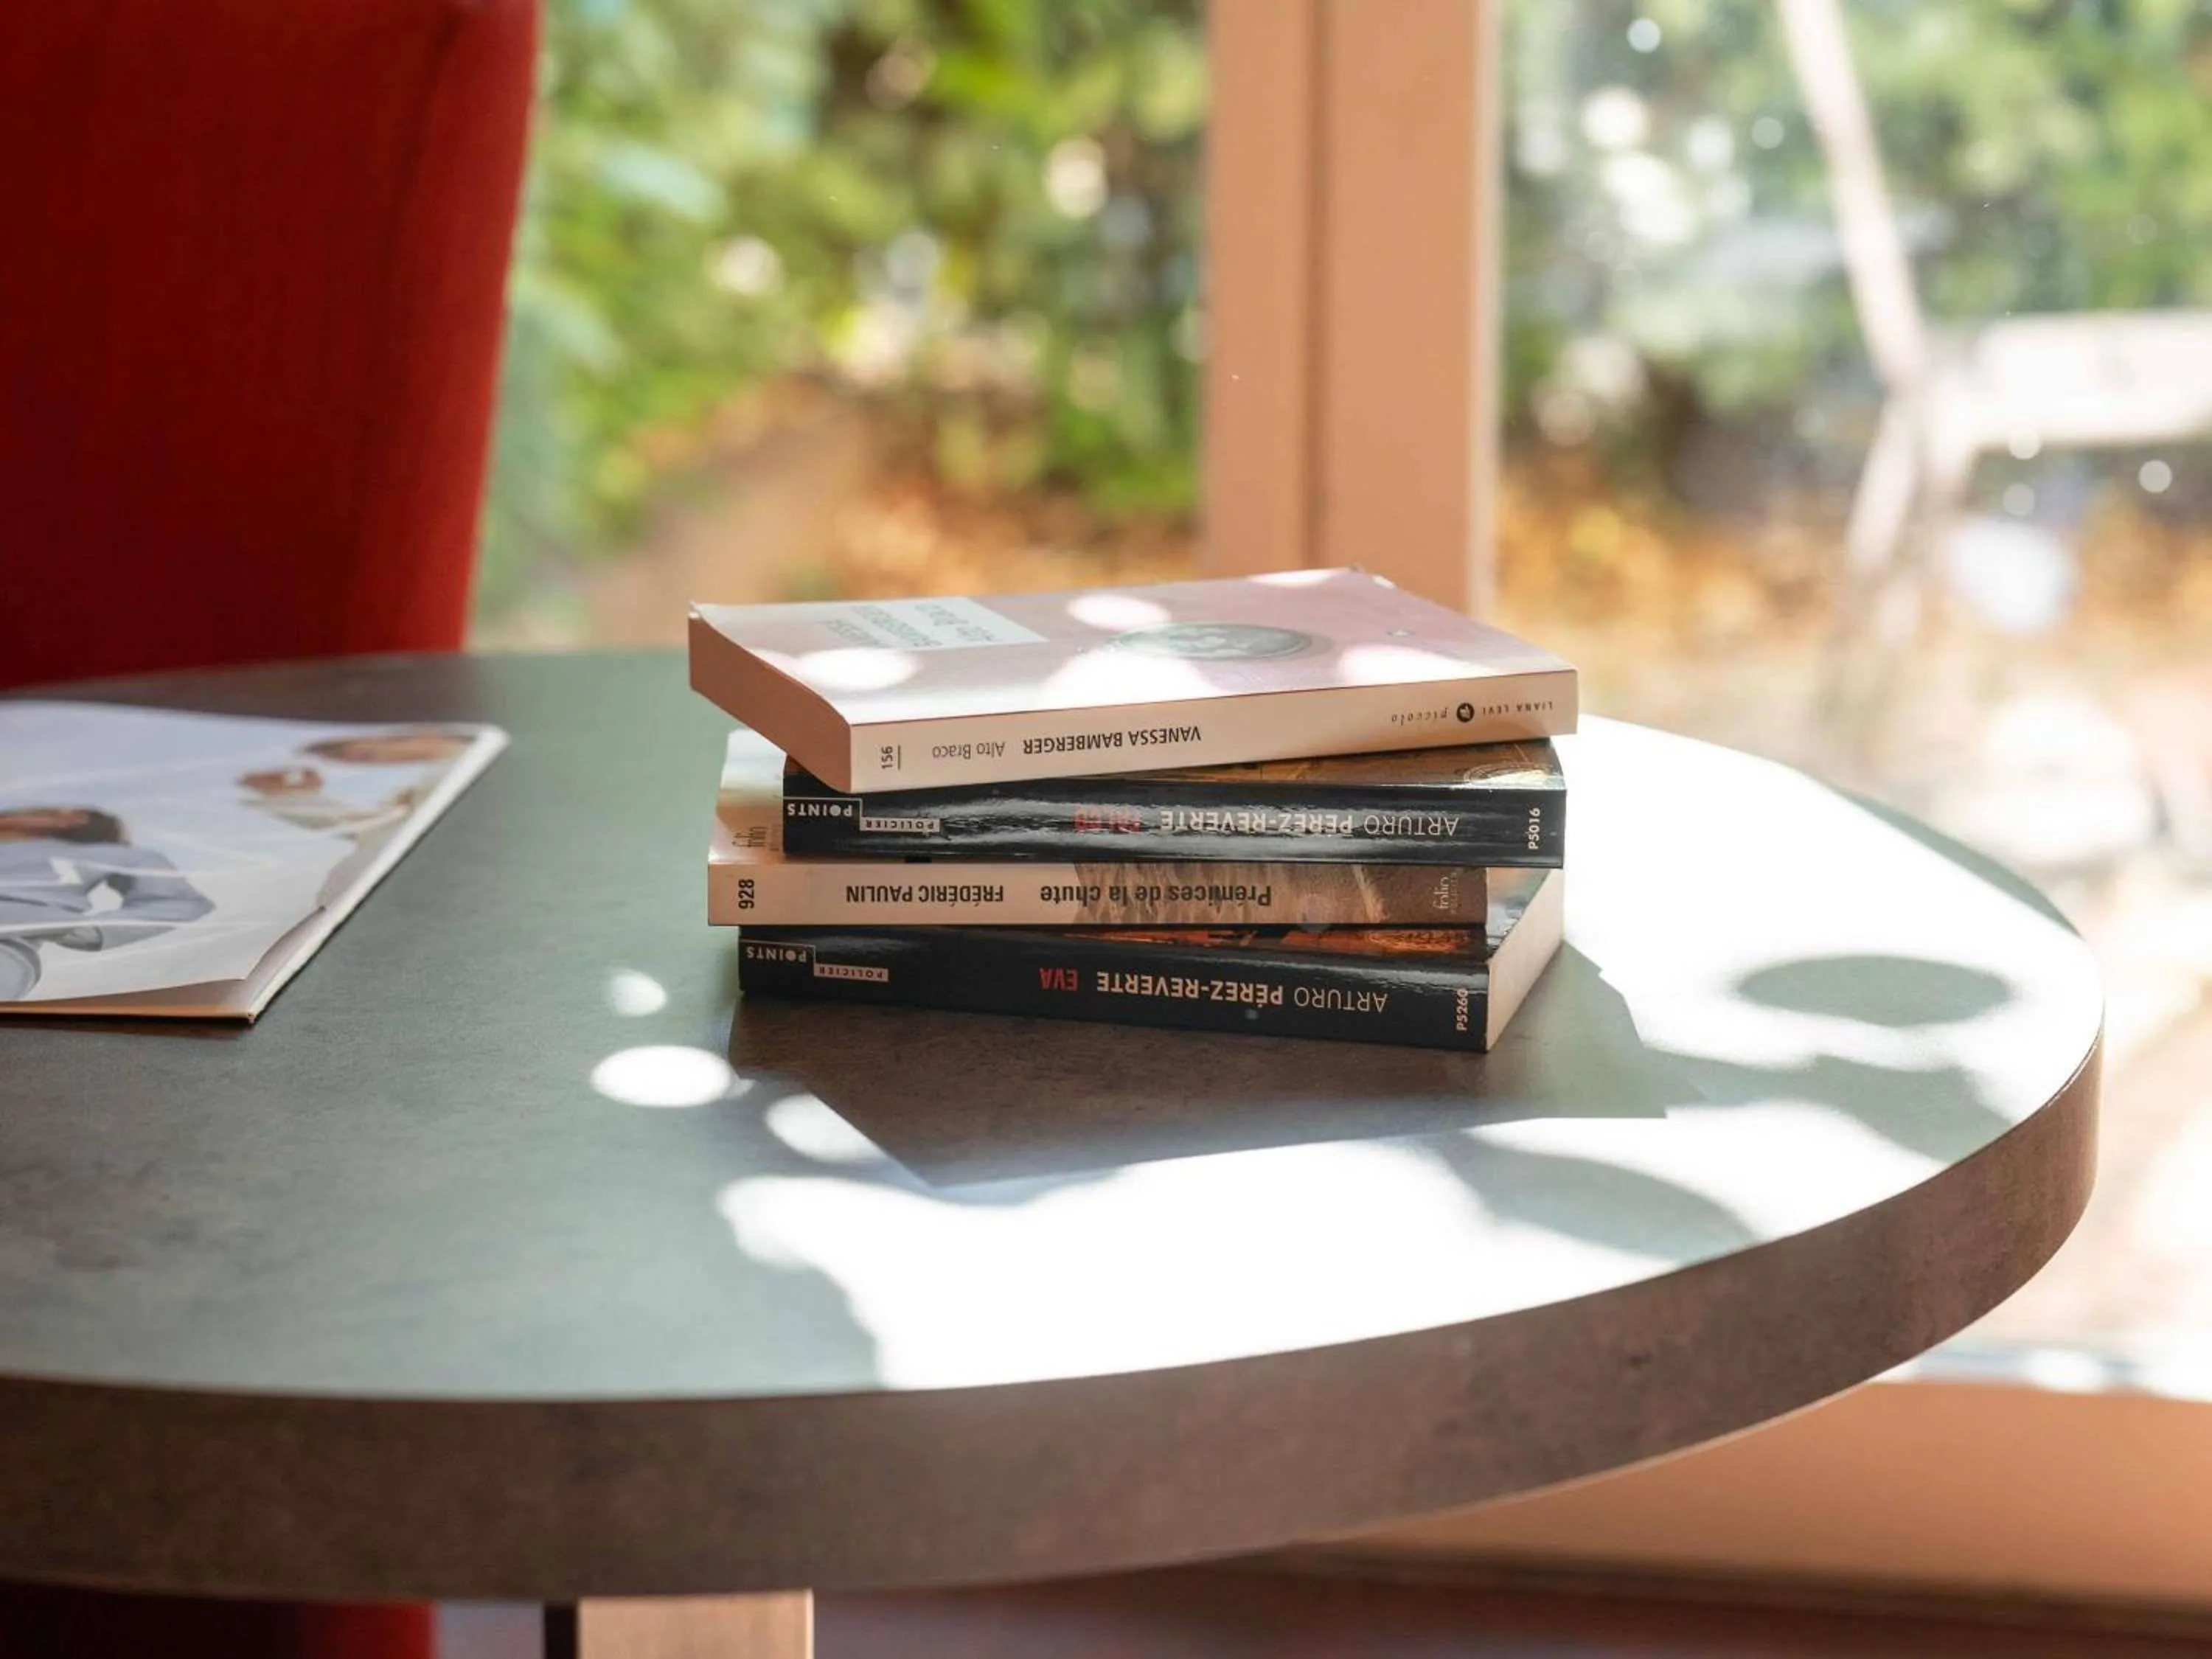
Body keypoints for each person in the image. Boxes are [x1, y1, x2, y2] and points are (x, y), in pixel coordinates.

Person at [0, 806, 215, 1001]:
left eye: (47, 812)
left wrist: (86, 929)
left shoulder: (114, 854)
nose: (21, 811)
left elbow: (178, 900)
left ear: (77, 819)